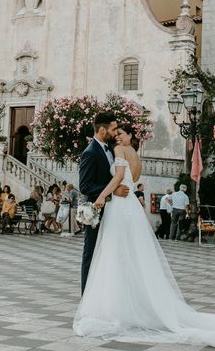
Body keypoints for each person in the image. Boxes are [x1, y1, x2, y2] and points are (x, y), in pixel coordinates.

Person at [74, 124, 215, 348]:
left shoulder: (118, 151)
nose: (116, 136)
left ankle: (117, 306)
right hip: (131, 206)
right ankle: (132, 302)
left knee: (115, 252)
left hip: (119, 205)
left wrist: (102, 196)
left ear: (130, 135)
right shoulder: (136, 154)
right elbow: (132, 180)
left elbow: (119, 178)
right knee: (133, 253)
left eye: (120, 133)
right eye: (115, 132)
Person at [79, 112, 129, 294]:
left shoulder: (109, 148)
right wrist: (112, 191)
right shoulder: (90, 153)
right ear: (102, 130)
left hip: (112, 210)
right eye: (114, 128)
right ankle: (86, 296)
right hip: (97, 211)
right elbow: (85, 186)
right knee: (91, 254)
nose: (116, 132)